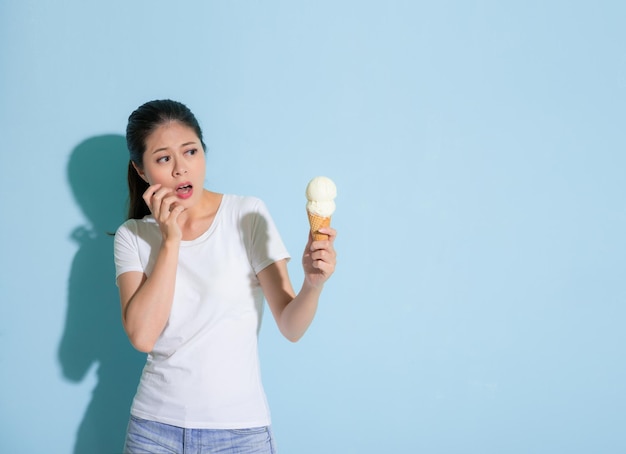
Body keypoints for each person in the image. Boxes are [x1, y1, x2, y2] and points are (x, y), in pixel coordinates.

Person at [113, 99, 337, 453]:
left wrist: (313, 284)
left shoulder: (247, 214)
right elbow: (142, 336)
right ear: (141, 171)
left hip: (239, 433)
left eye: (190, 151)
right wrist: (170, 241)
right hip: (154, 431)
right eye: (163, 158)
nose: (180, 169)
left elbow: (291, 327)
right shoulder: (133, 235)